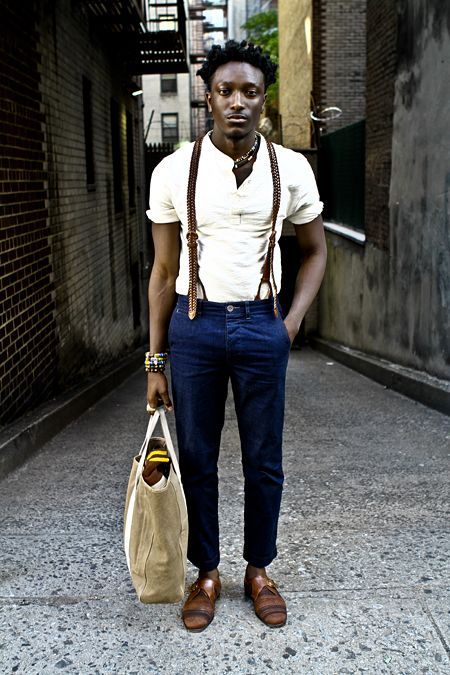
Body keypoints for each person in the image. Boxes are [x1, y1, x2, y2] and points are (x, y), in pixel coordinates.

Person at [146, 40, 327, 632]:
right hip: (194, 325)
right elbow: (163, 273)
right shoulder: (174, 170)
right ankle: (206, 573)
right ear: (209, 99)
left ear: (263, 100)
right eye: (226, 91)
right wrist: (155, 363)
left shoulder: (291, 169)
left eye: (250, 92)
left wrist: (290, 323)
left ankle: (259, 570)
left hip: (261, 324)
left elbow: (316, 251)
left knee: (264, 458)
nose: (237, 102)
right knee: (197, 457)